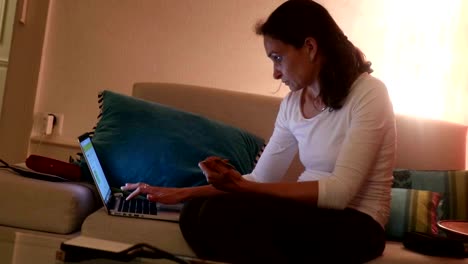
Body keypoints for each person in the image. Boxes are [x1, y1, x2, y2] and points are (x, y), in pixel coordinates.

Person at [121, 0, 396, 263]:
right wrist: (178, 194)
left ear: (310, 47)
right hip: (309, 215)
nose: (276, 73)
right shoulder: (292, 104)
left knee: (227, 215)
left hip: (358, 224)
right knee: (193, 213)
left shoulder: (369, 94)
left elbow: (339, 193)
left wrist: (243, 187)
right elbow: (259, 178)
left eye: (278, 58)